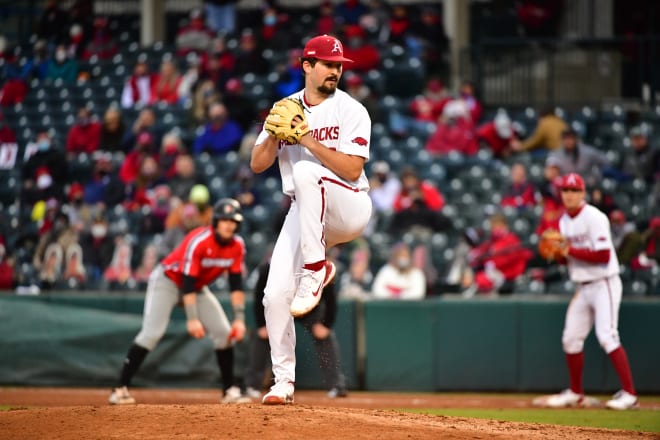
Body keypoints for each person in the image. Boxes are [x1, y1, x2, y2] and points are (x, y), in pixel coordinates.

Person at [249, 34, 372, 405]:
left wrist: (307, 140)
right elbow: (257, 164)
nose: (336, 70)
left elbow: (352, 170)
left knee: (306, 172)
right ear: (307, 65)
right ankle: (283, 382)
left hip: (348, 206)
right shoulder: (284, 107)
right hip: (304, 211)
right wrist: (274, 135)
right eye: (328, 64)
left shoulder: (351, 110)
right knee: (274, 295)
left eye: (339, 65)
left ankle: (317, 269)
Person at [108, 198, 252, 405]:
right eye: (225, 220)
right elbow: (187, 280)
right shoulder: (199, 240)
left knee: (223, 332)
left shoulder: (237, 245)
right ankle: (119, 389)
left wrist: (239, 318)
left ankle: (229, 391)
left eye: (233, 221)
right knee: (152, 332)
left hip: (196, 287)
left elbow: (236, 285)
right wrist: (193, 319)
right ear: (216, 221)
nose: (229, 224)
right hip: (168, 280)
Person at [533, 173, 638, 410]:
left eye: (574, 190)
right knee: (571, 338)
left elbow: (604, 256)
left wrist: (568, 249)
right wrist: (556, 254)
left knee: (607, 336)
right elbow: (567, 260)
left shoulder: (595, 217)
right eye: (565, 191)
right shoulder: (563, 222)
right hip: (583, 286)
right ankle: (576, 393)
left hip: (605, 283)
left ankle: (630, 394)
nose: (569, 195)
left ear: (582, 193)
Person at [245, 259, 348, 400]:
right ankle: (252, 385)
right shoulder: (269, 267)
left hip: (309, 308)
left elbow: (330, 298)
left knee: (325, 336)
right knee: (263, 336)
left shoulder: (316, 265)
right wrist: (261, 325)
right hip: (281, 307)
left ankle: (337, 385)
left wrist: (326, 325)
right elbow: (259, 297)